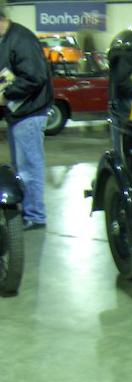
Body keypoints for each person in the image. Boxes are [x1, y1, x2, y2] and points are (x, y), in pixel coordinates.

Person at [0, 8, 53, 230]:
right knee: (20, 166)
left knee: (29, 166)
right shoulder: (7, 40)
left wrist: (6, 94)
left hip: (29, 113)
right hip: (18, 114)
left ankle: (35, 215)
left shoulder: (21, 39)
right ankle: (29, 212)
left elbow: (35, 77)